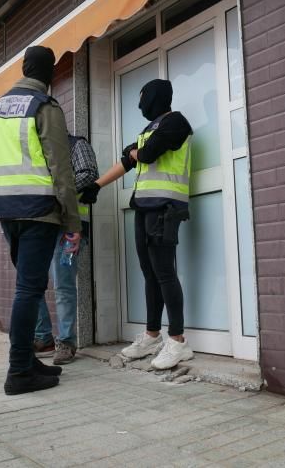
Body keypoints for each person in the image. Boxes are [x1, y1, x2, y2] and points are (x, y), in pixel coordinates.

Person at [0, 46, 81, 395]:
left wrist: (3, 197)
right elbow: (60, 168)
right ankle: (19, 371)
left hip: (8, 213)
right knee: (28, 289)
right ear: (49, 75)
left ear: (23, 69)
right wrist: (72, 221)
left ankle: (29, 361)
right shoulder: (44, 107)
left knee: (28, 287)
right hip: (39, 212)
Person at [83, 79, 193, 370]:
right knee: (149, 274)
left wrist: (135, 152)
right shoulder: (148, 129)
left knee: (165, 273)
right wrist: (96, 185)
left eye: (142, 98)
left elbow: (145, 155)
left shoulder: (176, 122)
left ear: (155, 97)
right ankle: (152, 336)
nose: (140, 105)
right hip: (144, 208)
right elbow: (127, 161)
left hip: (166, 207)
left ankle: (179, 341)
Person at [34, 134, 98, 364]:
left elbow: (89, 174)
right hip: (41, 226)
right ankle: (43, 338)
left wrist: (56, 192)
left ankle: (66, 342)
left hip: (70, 228)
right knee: (32, 284)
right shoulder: (35, 150)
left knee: (63, 284)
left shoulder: (75, 145)